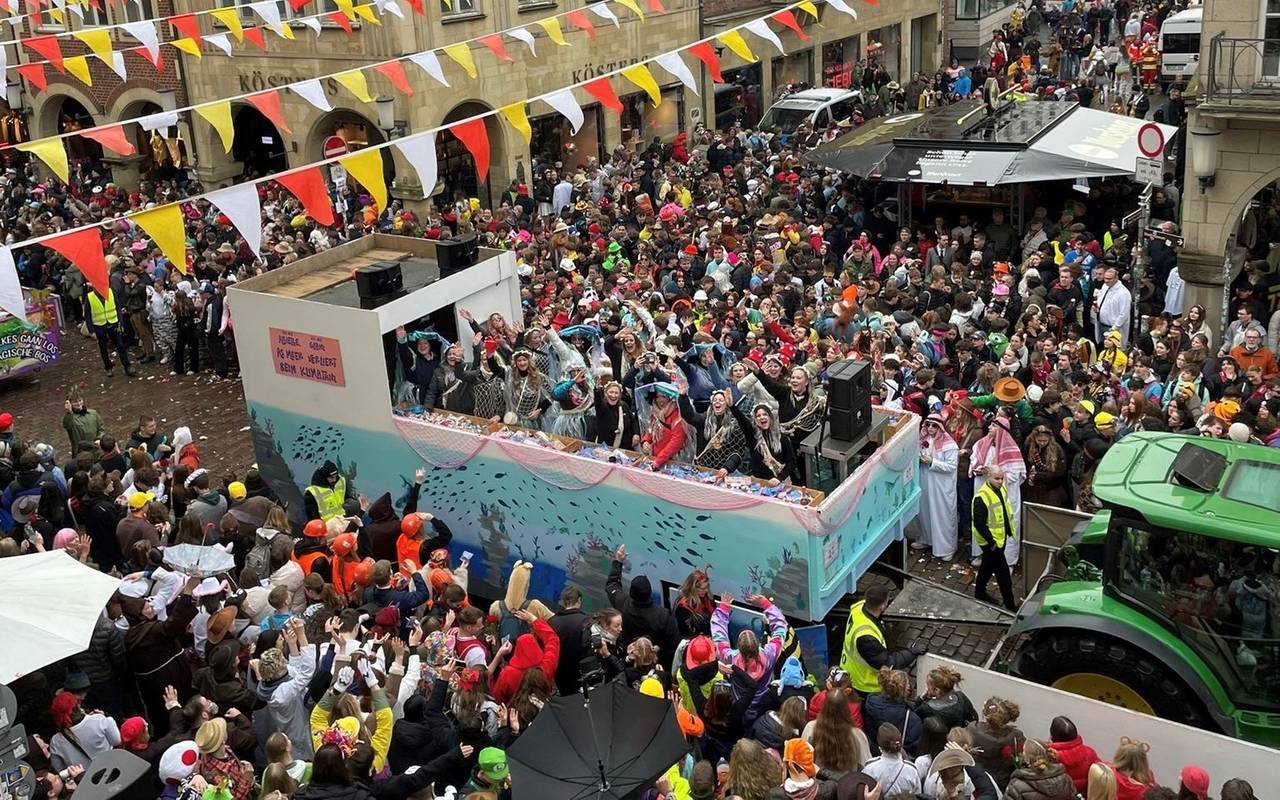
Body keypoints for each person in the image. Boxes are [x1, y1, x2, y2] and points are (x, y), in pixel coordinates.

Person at [840, 584, 924, 695]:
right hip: (863, 682)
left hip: (849, 666)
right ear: (882, 606)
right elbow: (887, 663)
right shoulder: (867, 638)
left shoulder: (858, 607)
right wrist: (911, 652)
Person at [972, 464, 1018, 610]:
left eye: (1002, 478)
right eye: (997, 478)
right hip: (991, 542)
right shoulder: (981, 497)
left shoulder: (1001, 488)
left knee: (987, 566)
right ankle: (1010, 606)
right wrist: (991, 543)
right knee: (1003, 575)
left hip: (999, 538)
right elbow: (979, 524)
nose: (1000, 481)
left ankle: (979, 592)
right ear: (988, 477)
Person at [914, 414, 960, 560]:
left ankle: (946, 548)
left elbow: (952, 466)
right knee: (925, 511)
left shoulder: (950, 445)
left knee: (942, 515)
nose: (930, 428)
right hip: (926, 482)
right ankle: (926, 539)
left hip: (941, 487)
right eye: (928, 425)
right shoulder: (924, 440)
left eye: (934, 426)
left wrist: (932, 461)